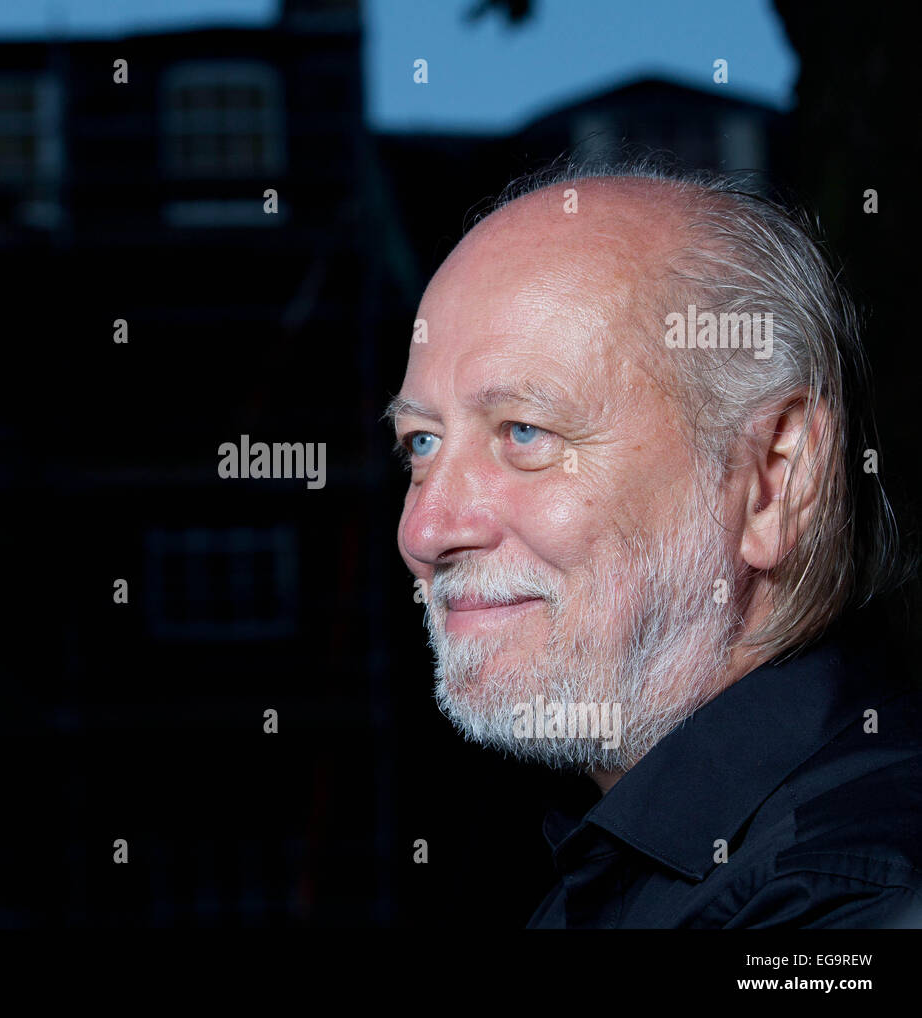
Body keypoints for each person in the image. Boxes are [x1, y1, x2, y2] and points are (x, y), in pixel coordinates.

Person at [387, 160, 922, 927]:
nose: (426, 530)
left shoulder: (848, 898)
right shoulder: (624, 867)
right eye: (421, 444)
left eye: (524, 433)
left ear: (775, 477)